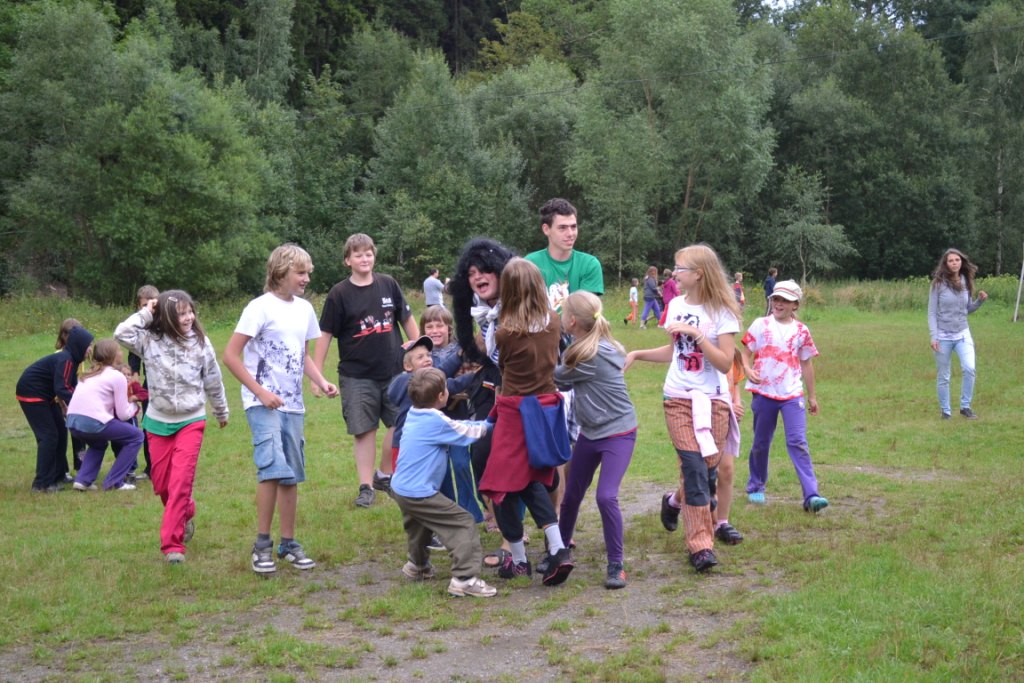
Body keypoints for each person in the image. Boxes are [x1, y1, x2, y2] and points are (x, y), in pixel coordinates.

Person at [625, 244, 741, 573]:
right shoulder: (675, 304)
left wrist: (698, 335)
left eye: (680, 268)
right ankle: (700, 545)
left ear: (699, 273)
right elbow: (674, 351)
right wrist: (638, 354)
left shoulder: (723, 312)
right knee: (693, 467)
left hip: (714, 400)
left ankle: (674, 500)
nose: (673, 273)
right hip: (677, 398)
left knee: (706, 471)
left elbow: (725, 363)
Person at [223, 244, 339, 574]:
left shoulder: (305, 309)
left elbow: (302, 356)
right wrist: (260, 393)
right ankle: (262, 545)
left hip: (293, 406)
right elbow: (230, 355)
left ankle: (288, 543)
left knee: (290, 475)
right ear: (280, 272)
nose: (306, 279)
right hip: (262, 404)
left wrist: (321, 380)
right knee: (272, 468)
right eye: (300, 273)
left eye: (308, 273)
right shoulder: (259, 308)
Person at [478, 258, 575, 586]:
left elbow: (497, 362)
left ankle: (524, 558)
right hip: (546, 407)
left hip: (515, 411)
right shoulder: (553, 322)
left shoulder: (504, 332)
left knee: (501, 482)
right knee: (527, 479)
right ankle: (551, 549)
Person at [116, 289, 230, 563]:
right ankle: (186, 510)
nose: (189, 317)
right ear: (166, 316)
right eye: (181, 313)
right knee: (162, 485)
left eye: (190, 311)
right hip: (157, 421)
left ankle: (172, 546)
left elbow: (213, 379)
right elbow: (121, 333)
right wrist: (148, 310)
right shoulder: (149, 340)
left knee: (180, 483)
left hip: (191, 420)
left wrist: (220, 410)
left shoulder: (201, 343)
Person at [313, 233, 418, 507]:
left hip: (395, 372)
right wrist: (317, 375)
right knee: (364, 431)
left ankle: (383, 474)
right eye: (358, 254)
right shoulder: (339, 294)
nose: (364, 259)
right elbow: (325, 335)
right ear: (347, 260)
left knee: (401, 423)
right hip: (356, 376)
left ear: (374, 256)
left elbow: (407, 319)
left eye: (368, 253)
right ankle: (366, 487)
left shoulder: (388, 284)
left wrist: (421, 352)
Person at [390, 367, 497, 598]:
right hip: (420, 492)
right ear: (441, 396)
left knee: (419, 526)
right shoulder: (435, 421)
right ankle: (465, 579)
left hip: (402, 488)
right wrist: (491, 423)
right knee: (463, 523)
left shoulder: (414, 413)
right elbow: (467, 432)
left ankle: (417, 565)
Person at [555, 291, 637, 589]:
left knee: (606, 496)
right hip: (590, 432)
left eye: (563, 313)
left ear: (572, 321)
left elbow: (558, 377)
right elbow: (567, 379)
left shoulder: (589, 354)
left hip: (618, 433)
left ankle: (616, 564)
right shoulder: (589, 345)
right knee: (572, 495)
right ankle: (559, 550)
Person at [740, 280, 828, 513]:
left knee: (798, 441)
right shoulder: (760, 324)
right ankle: (756, 486)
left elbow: (806, 363)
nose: (778, 304)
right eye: (776, 299)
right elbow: (745, 353)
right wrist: (747, 369)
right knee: (761, 442)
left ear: (795, 305)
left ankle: (811, 495)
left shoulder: (801, 331)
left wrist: (812, 396)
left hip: (792, 394)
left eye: (785, 301)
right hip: (764, 393)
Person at [662, 350, 745, 545]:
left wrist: (736, 403)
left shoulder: (730, 352)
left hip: (722, 414)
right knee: (698, 473)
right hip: (698, 414)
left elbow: (734, 382)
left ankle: (721, 522)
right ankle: (702, 527)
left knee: (725, 470)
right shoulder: (694, 350)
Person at [17, 324, 94, 492]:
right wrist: (81, 403)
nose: (90, 349)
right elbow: (62, 388)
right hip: (32, 392)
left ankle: (58, 475)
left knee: (60, 431)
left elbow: (69, 386)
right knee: (49, 436)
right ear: (79, 345)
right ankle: (41, 484)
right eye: (88, 345)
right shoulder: (66, 360)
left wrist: (71, 404)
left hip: (46, 395)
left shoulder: (72, 360)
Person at [66, 339, 143, 492]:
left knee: (98, 443)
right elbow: (123, 415)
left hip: (72, 422)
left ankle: (82, 480)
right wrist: (135, 404)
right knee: (136, 436)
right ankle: (115, 482)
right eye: (119, 350)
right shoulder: (116, 376)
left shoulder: (88, 374)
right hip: (92, 422)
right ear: (113, 355)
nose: (121, 352)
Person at [928, 248, 988, 420]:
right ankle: (946, 411)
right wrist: (934, 336)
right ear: (946, 264)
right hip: (942, 337)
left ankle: (965, 407)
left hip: (962, 334)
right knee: (944, 376)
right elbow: (932, 313)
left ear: (961, 262)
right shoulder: (938, 284)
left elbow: (967, 309)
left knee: (969, 368)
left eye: (957, 260)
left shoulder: (965, 281)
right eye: (951, 261)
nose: (954, 263)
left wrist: (979, 301)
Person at [525, 197, 604, 314]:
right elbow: (525, 312)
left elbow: (586, 316)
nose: (570, 233)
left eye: (573, 227)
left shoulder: (589, 265)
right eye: (562, 228)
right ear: (546, 229)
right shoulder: (530, 264)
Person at [127, 284, 158, 480]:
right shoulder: (138, 324)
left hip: (166, 381)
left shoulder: (165, 321)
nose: (148, 308)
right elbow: (132, 349)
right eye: (143, 305)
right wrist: (135, 372)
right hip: (149, 382)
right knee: (148, 423)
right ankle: (150, 467)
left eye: (150, 304)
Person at [55, 317, 87, 474]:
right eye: (69, 333)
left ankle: (81, 467)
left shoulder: (79, 357)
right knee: (60, 436)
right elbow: (59, 385)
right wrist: (63, 405)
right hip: (61, 401)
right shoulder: (61, 356)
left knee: (80, 437)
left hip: (75, 400)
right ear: (63, 335)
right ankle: (62, 470)